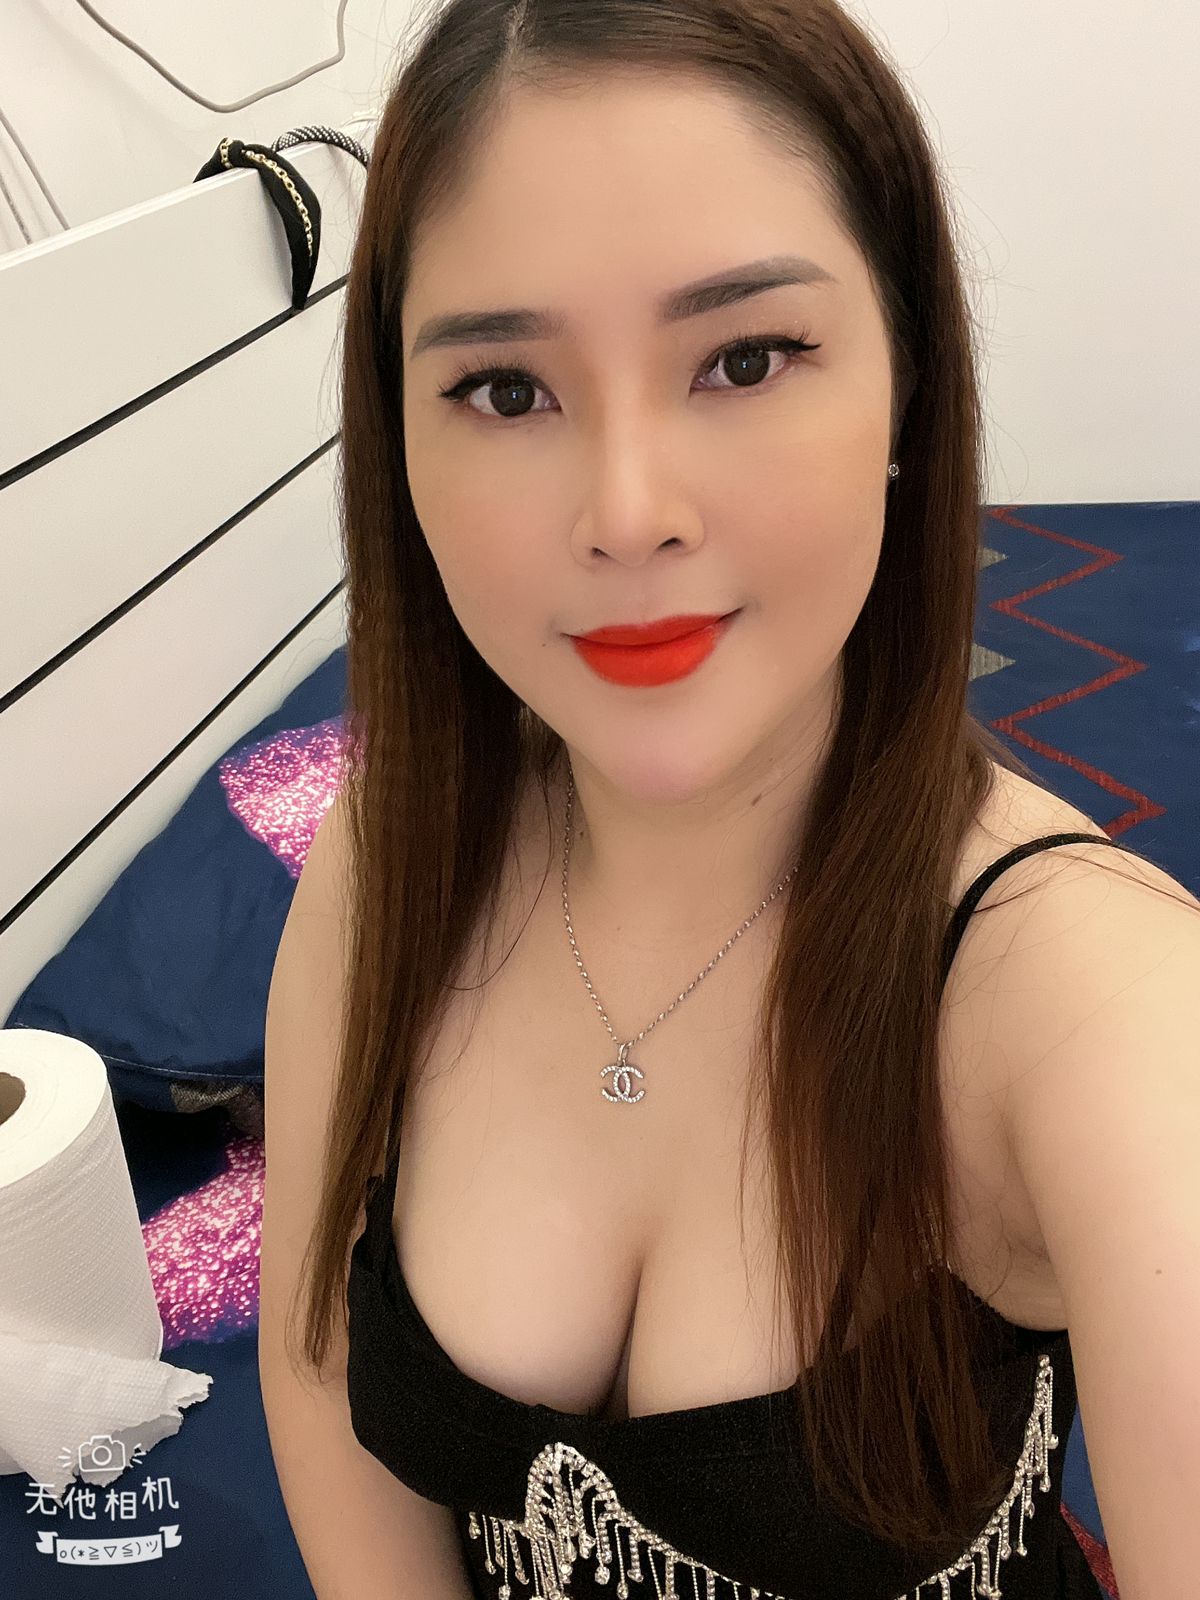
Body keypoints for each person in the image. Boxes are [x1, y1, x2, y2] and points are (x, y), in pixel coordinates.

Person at [260, 3, 1198, 1596]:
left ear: (908, 384)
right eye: (505, 390)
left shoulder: (1088, 999)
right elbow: (316, 1364)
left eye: (745, 359)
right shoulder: (391, 862)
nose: (629, 514)